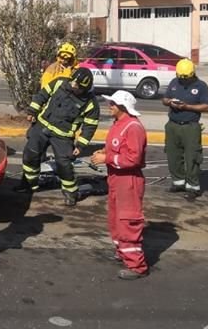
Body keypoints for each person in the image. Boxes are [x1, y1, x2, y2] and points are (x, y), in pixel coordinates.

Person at [19, 67, 100, 206]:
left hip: (63, 136)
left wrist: (80, 145)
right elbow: (42, 95)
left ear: (85, 88)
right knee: (30, 155)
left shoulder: (91, 103)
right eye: (73, 82)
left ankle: (71, 193)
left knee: (64, 164)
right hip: (42, 126)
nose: (73, 86)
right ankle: (29, 184)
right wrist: (32, 110)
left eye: (78, 86)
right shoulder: (59, 83)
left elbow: (89, 127)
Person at [91, 90, 149, 280]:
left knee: (127, 220)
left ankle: (136, 265)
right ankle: (123, 252)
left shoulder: (133, 127)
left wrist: (106, 157)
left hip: (128, 180)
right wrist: (104, 153)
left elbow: (133, 158)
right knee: (115, 218)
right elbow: (117, 148)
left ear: (123, 107)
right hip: (116, 178)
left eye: (113, 104)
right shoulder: (119, 124)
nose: (110, 106)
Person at [162, 58, 208, 201]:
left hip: (190, 126)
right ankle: (178, 182)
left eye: (186, 78)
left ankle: (193, 188)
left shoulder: (201, 86)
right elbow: (165, 99)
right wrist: (170, 102)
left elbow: (206, 106)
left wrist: (187, 107)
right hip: (173, 125)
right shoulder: (174, 83)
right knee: (173, 155)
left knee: (192, 158)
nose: (183, 80)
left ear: (192, 74)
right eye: (180, 77)